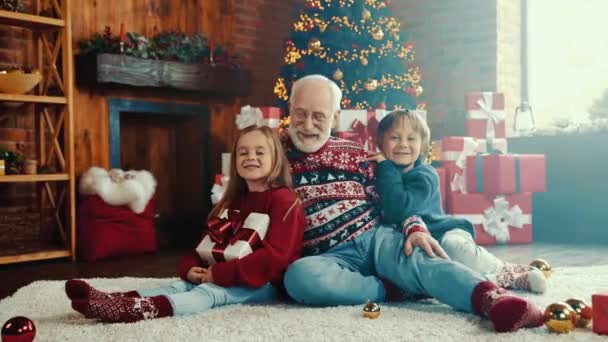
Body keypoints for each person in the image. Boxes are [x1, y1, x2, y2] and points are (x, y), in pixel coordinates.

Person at [281, 74, 544, 332]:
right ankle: (393, 289)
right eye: (301, 114)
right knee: (298, 278)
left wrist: (414, 227)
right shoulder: (275, 156)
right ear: (290, 109)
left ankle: (491, 298)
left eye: (319, 116)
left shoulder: (355, 153)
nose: (307, 125)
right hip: (329, 256)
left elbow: (390, 197)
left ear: (335, 117)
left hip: (375, 237)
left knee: (423, 260)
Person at [65, 125, 306, 323]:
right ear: (235, 161)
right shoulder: (233, 201)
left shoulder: (284, 201)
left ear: (275, 158)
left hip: (264, 282)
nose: (250, 157)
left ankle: (133, 310)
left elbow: (276, 258)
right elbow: (207, 242)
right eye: (243, 152)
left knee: (208, 293)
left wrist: (218, 274)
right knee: (179, 285)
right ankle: (111, 299)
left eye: (259, 152)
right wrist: (190, 267)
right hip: (225, 271)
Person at [367, 109, 546, 294]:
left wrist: (385, 167)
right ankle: (493, 282)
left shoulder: (425, 175)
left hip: (443, 232)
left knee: (453, 248)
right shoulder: (380, 172)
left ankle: (505, 270)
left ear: (422, 145)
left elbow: (400, 209)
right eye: (395, 138)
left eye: (411, 139)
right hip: (413, 242)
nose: (403, 144)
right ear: (381, 143)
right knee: (449, 274)